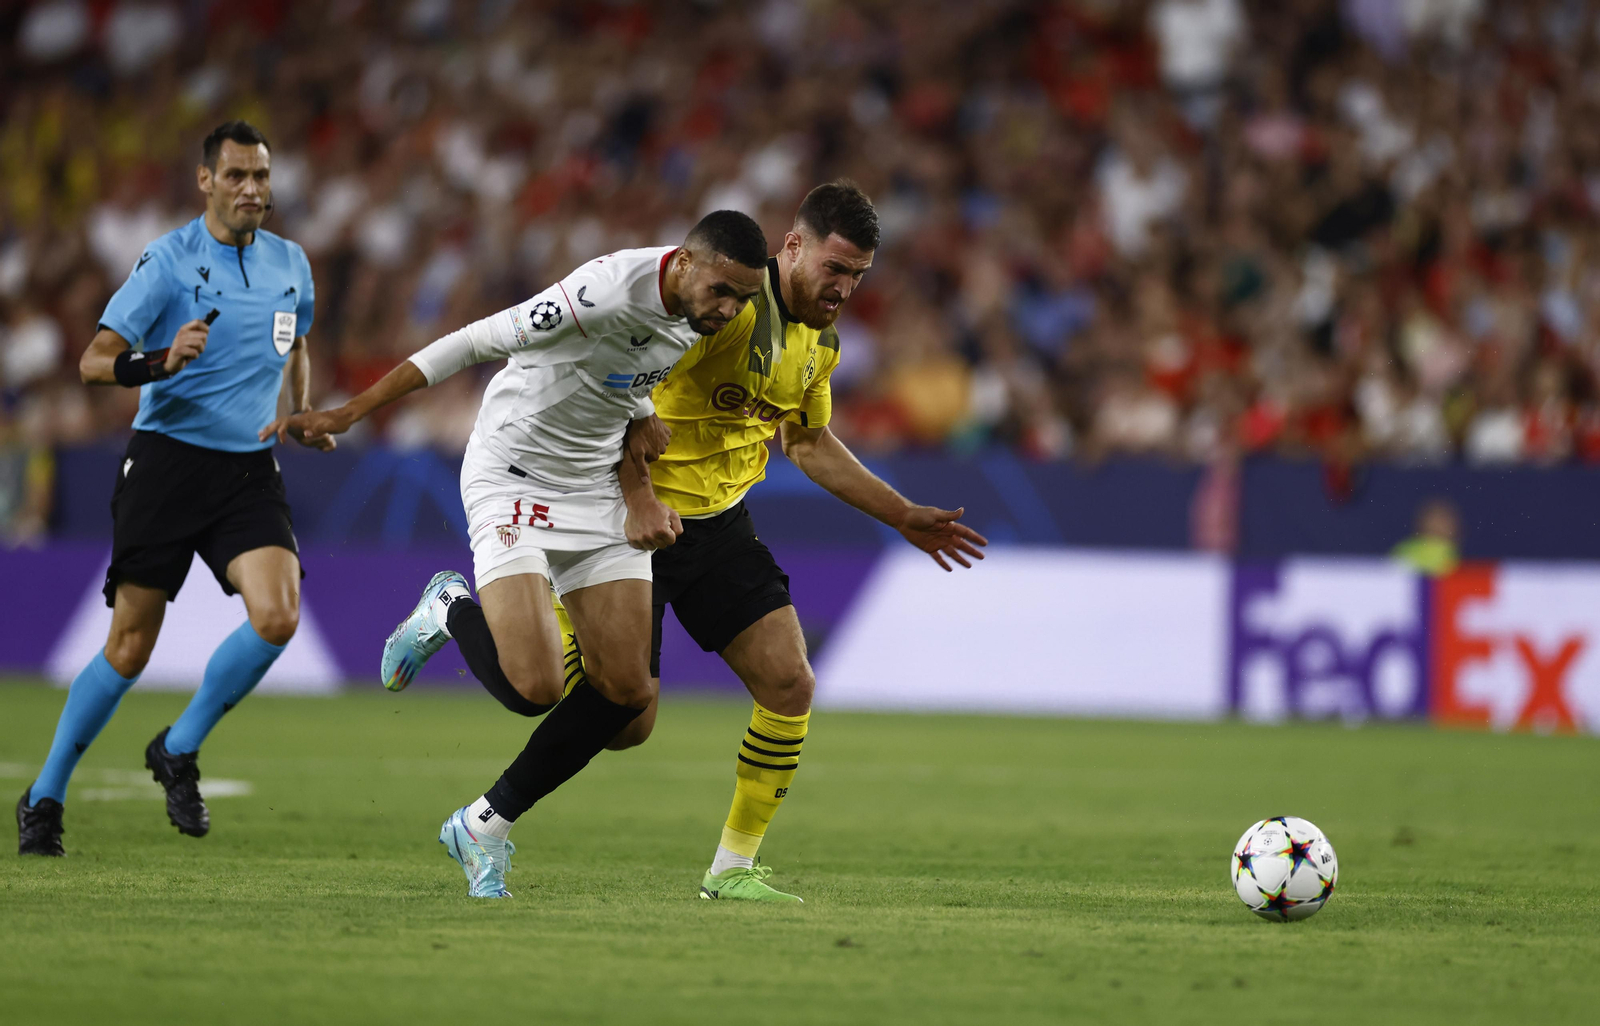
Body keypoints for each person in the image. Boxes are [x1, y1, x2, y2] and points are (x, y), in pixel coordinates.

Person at [281, 212, 768, 898]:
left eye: (744, 298)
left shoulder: (705, 313)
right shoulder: (603, 290)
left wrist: (638, 468)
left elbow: (624, 379)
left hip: (594, 489)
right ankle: (450, 609)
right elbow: (471, 342)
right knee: (533, 689)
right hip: (514, 479)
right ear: (685, 264)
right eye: (723, 291)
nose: (730, 309)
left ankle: (480, 826)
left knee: (630, 709)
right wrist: (351, 412)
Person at [546, 181, 988, 902]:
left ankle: (732, 870)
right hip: (633, 521)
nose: (844, 287)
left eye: (859, 276)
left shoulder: (820, 345)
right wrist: (637, 493)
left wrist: (901, 513)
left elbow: (807, 444)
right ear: (792, 246)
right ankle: (482, 608)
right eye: (835, 268)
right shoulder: (723, 311)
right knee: (624, 724)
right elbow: (622, 393)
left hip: (718, 525)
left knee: (790, 682)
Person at [18, 121, 328, 857]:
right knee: (129, 649)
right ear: (205, 182)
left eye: (261, 176)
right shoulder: (167, 261)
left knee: (278, 616)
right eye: (236, 176)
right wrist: (159, 361)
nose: (252, 189)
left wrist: (299, 413)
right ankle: (46, 792)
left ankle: (178, 747)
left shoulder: (292, 262)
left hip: (248, 469)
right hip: (166, 465)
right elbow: (95, 364)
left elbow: (299, 341)